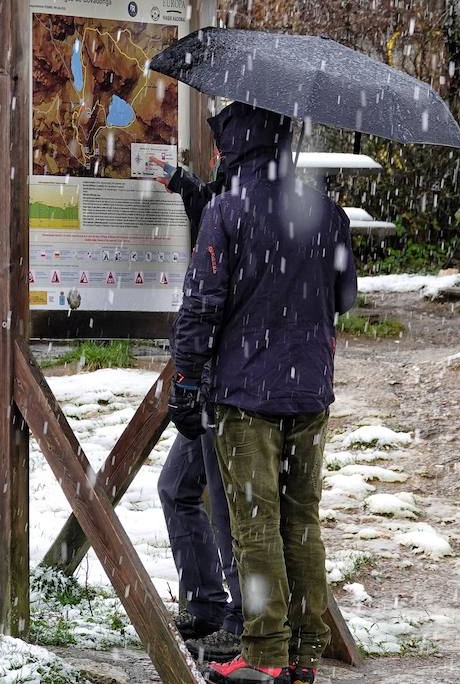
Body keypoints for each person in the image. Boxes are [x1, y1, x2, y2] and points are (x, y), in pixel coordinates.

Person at [172, 103, 357, 684]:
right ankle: (303, 654)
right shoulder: (328, 214)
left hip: (245, 396)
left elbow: (201, 308)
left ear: (235, 150)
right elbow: (345, 297)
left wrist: (185, 384)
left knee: (255, 527)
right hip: (309, 394)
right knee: (302, 524)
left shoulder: (226, 211)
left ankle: (264, 654)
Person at [156, 146, 243, 663]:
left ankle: (238, 622)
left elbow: (207, 294)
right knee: (177, 488)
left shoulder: (247, 198)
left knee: (232, 509)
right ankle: (209, 605)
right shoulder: (247, 190)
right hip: (224, 380)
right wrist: (190, 188)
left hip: (226, 385)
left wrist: (188, 380)